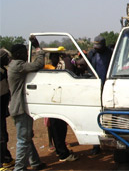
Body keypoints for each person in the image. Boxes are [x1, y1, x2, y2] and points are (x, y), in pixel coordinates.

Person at [7, 36, 46, 171]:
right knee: (23, 140)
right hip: (20, 108)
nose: (26, 55)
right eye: (24, 53)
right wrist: (38, 49)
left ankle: (35, 162)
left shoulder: (13, 65)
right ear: (19, 55)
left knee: (27, 137)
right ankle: (19, 168)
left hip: (17, 106)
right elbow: (38, 64)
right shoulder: (18, 65)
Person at [44, 52, 79, 162]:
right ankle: (63, 153)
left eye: (57, 57)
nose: (55, 59)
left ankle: (60, 150)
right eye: (54, 57)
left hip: (54, 100)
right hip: (55, 101)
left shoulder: (57, 67)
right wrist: (67, 57)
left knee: (58, 128)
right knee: (57, 127)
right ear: (50, 59)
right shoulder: (48, 68)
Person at [87, 35, 112, 155]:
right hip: (95, 87)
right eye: (95, 46)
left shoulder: (111, 53)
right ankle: (95, 144)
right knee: (94, 115)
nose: (97, 48)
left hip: (107, 87)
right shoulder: (92, 54)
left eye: (99, 46)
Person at [0, 49, 15, 170]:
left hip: (2, 107)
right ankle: (3, 163)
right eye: (6, 58)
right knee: (1, 136)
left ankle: (6, 158)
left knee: (3, 135)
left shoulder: (3, 71)